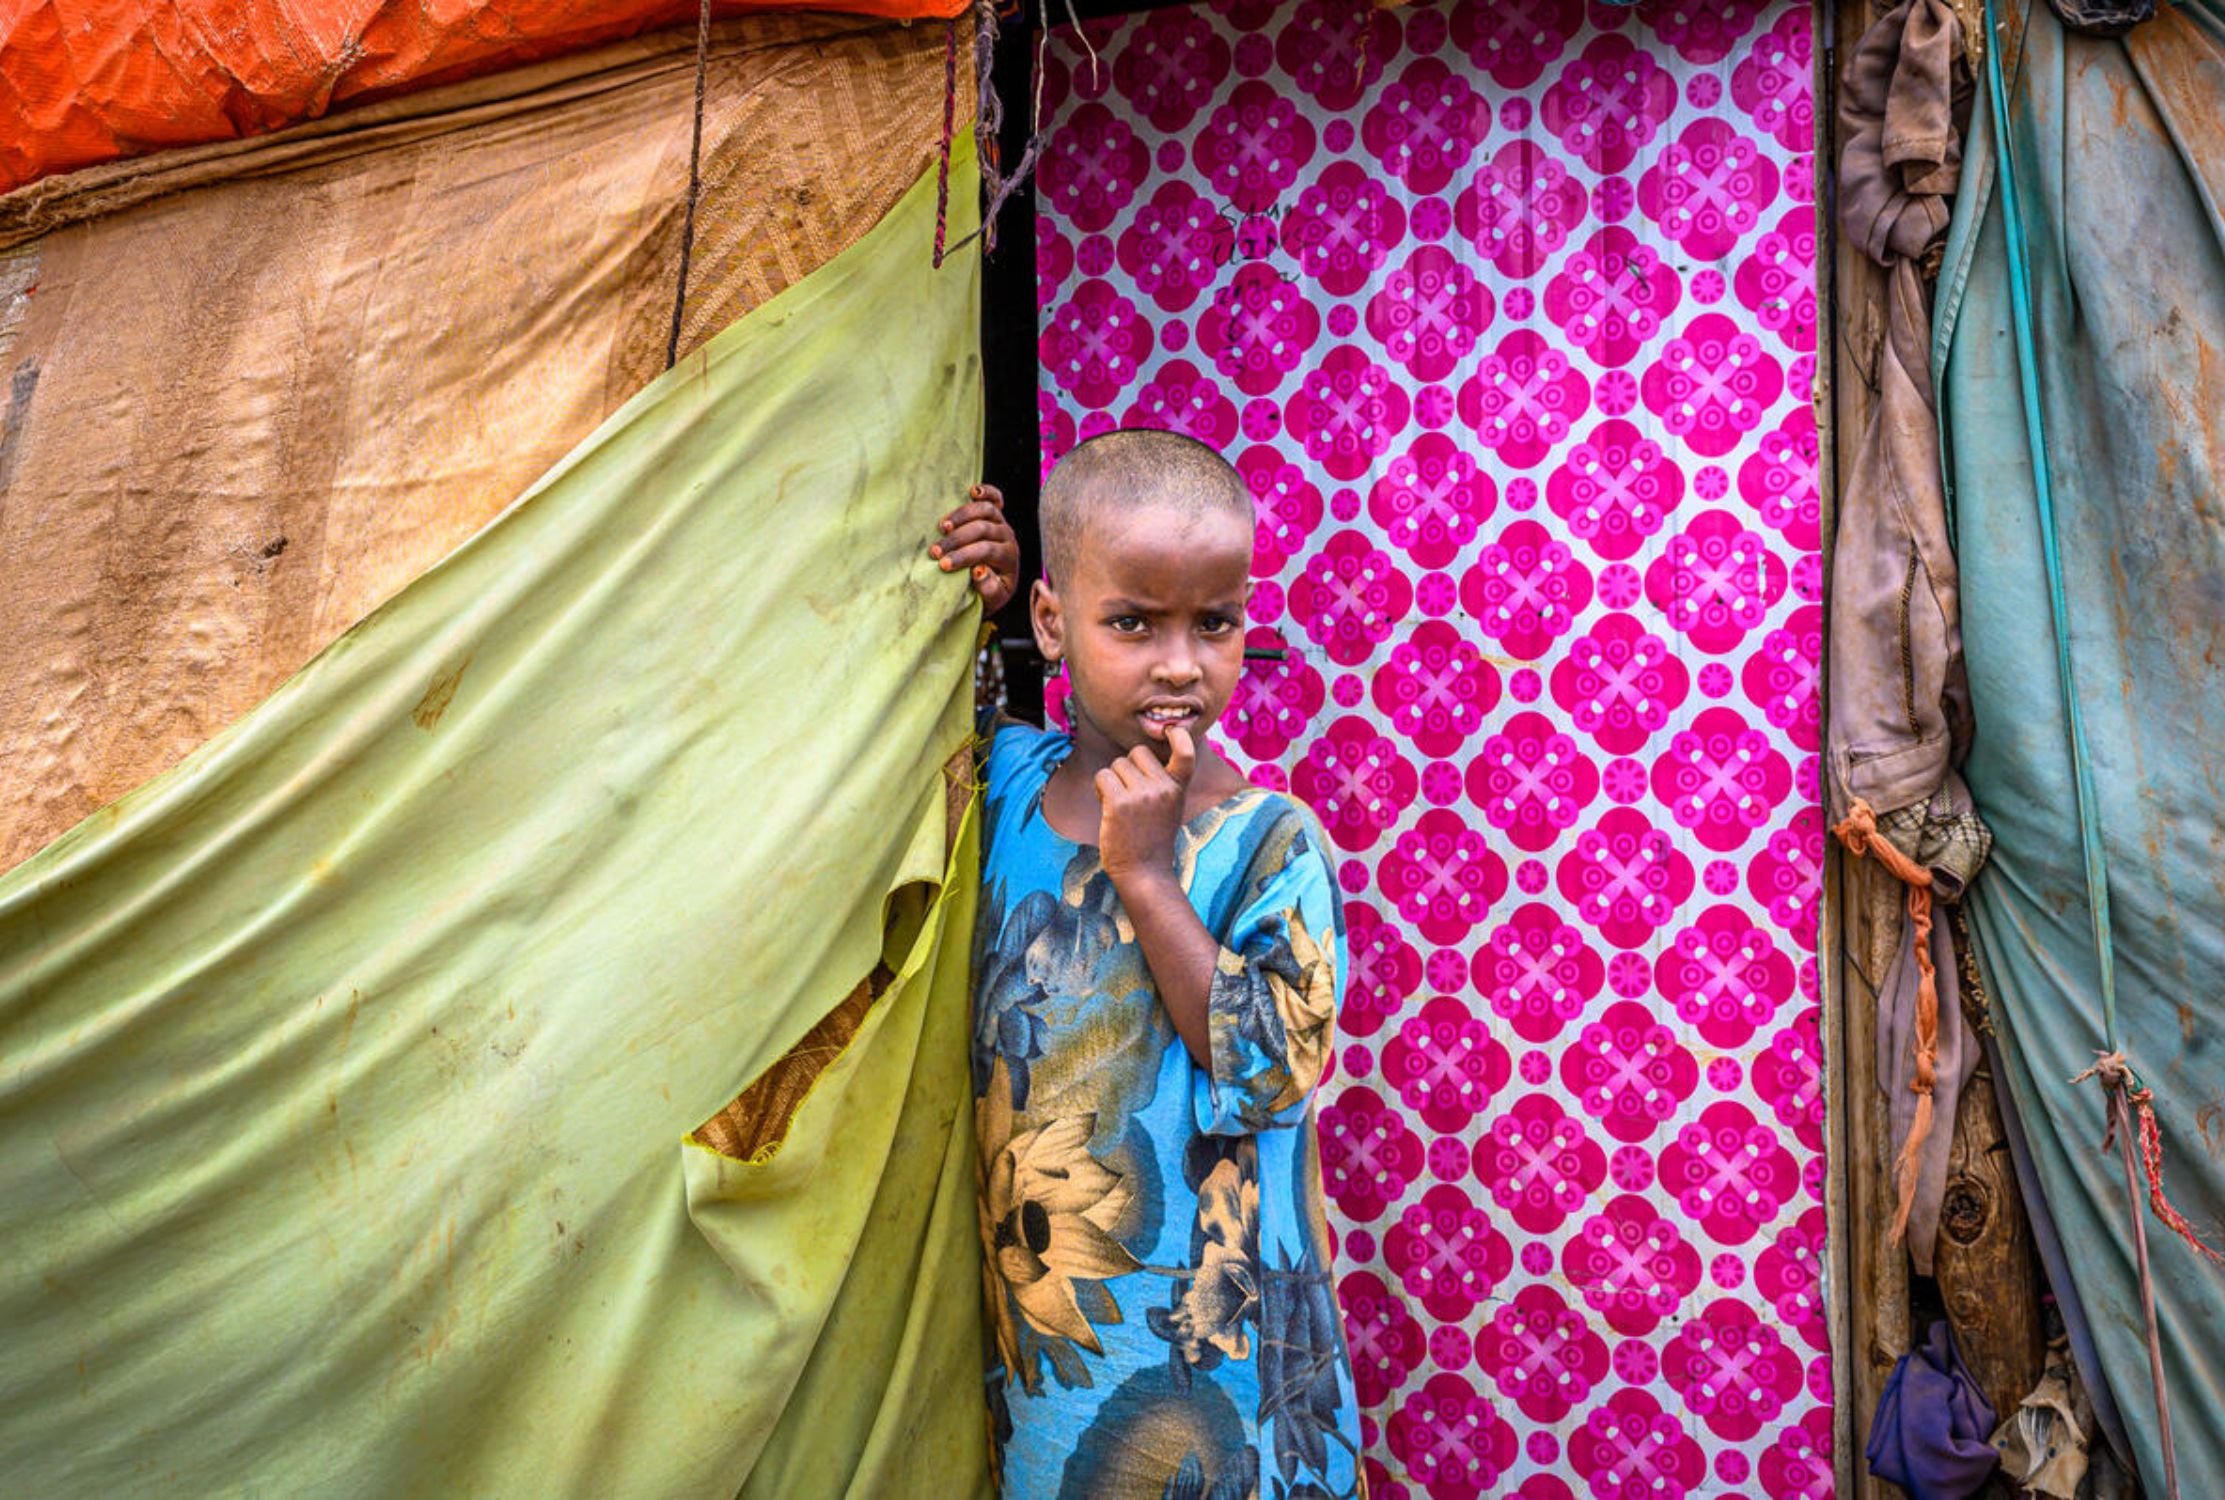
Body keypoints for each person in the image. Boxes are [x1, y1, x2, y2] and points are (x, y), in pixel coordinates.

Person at [935, 431, 1360, 1500]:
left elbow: (1270, 1074)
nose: (1178, 663)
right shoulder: (1003, 787)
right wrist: (967, 606)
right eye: (1130, 623)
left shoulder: (1268, 844)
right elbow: (928, 717)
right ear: (1053, 622)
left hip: (1225, 1365)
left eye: (1211, 624)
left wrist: (1149, 880)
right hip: (1046, 1353)